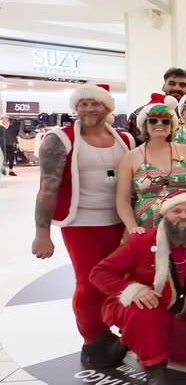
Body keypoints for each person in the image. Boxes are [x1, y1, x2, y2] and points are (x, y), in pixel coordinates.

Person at [31, 83, 136, 369]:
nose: (89, 109)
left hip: (118, 222)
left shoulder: (124, 139)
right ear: (75, 107)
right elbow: (46, 189)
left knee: (119, 280)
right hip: (81, 225)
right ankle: (93, 339)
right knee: (89, 284)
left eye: (95, 103)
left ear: (107, 107)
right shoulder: (59, 139)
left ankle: (113, 329)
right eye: (83, 104)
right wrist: (43, 234)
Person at [89, 192, 186, 385]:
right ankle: (154, 371)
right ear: (165, 214)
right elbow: (99, 273)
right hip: (140, 306)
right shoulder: (143, 241)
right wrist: (135, 289)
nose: (183, 216)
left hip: (177, 311)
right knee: (146, 312)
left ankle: (128, 340)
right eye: (177, 211)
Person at [116, 94, 186, 233]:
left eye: (165, 121)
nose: (159, 124)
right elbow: (122, 200)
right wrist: (132, 228)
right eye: (153, 121)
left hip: (183, 227)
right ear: (145, 125)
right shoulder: (130, 157)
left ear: (172, 125)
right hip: (144, 229)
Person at [127, 67, 186, 142]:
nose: (177, 88)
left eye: (182, 85)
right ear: (163, 87)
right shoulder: (141, 115)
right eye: (172, 84)